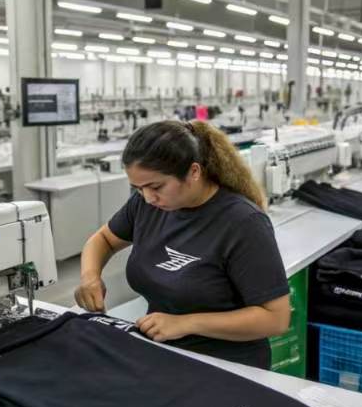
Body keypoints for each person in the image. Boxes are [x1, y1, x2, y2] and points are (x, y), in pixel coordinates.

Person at [74, 120, 291, 369]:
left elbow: (276, 318)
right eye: (138, 188)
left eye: (156, 186)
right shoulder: (146, 204)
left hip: (227, 366)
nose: (147, 197)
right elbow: (102, 239)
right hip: (164, 352)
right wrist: (90, 276)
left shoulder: (243, 223)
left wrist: (185, 323)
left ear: (194, 172)